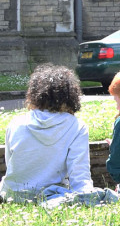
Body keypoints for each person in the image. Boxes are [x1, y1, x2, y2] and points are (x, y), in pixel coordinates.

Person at [0, 65, 93, 203]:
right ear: (71, 96)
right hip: (51, 196)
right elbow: (79, 174)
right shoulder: (77, 126)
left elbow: (11, 163)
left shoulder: (16, 122)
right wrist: (88, 198)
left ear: (34, 95)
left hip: (13, 195)